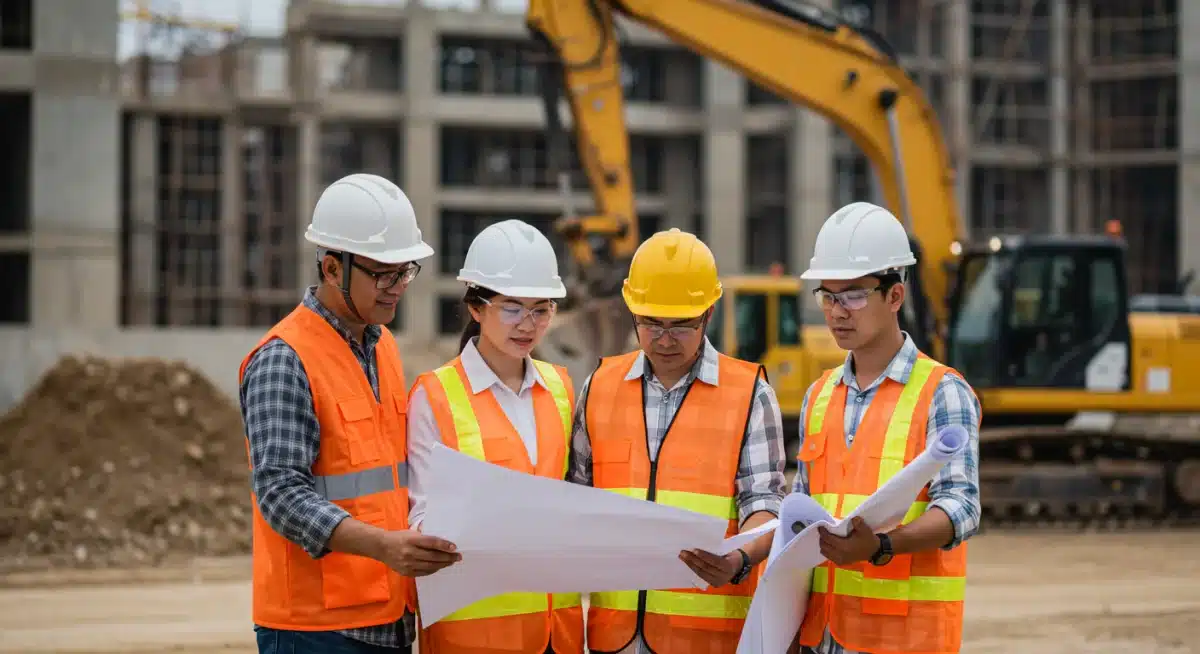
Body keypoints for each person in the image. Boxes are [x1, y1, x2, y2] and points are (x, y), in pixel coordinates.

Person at [239, 173, 462, 654]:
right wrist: (384, 546)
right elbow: (280, 493)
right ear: (332, 268)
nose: (397, 288)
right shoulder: (285, 359)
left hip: (387, 613)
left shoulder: (384, 348)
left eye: (404, 272)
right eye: (383, 274)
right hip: (315, 630)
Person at [566, 227, 788, 654]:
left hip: (706, 641)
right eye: (651, 323)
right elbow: (576, 497)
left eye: (681, 325)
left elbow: (764, 503)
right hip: (615, 637)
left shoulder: (750, 395)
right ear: (632, 312)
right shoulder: (599, 387)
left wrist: (739, 558)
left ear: (708, 314)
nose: (664, 339)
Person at [788, 202, 981, 654]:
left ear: (895, 296)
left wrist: (881, 546)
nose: (838, 312)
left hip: (901, 640)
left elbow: (962, 508)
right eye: (828, 296)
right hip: (822, 637)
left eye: (853, 295)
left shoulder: (942, 392)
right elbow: (800, 517)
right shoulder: (819, 395)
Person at [406, 219, 585, 654]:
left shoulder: (561, 388)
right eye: (512, 307)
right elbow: (421, 520)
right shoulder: (435, 396)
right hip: (473, 638)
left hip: (556, 635)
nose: (528, 324)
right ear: (476, 307)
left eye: (541, 309)